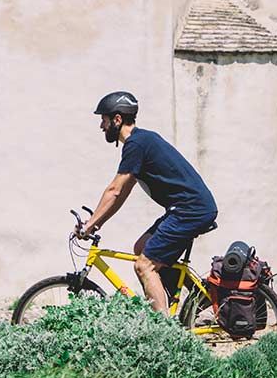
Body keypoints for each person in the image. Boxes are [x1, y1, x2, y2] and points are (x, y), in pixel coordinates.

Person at [78, 91, 218, 312]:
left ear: (117, 119)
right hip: (186, 208)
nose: (101, 126)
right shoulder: (141, 142)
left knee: (144, 265)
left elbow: (114, 190)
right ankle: (201, 296)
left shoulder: (136, 144)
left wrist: (88, 225)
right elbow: (122, 193)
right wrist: (98, 222)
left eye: (103, 119)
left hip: (190, 210)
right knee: (141, 247)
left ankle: (161, 331)